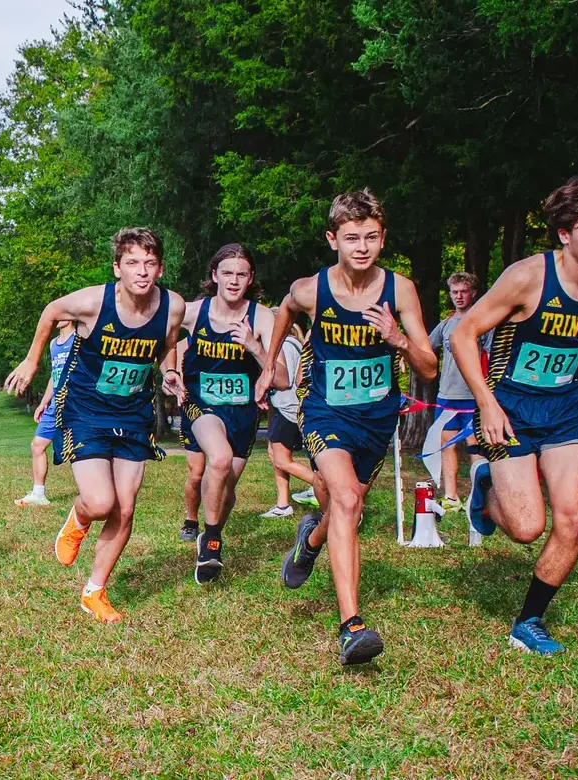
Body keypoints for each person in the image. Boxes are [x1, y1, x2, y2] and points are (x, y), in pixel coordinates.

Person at [453, 176, 578, 656]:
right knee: (527, 528)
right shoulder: (527, 277)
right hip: (508, 408)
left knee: (573, 519)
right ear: (564, 234)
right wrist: (486, 404)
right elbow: (464, 333)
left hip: (567, 409)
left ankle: (528, 621)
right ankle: (486, 485)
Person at [257, 189, 437, 665]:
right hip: (324, 410)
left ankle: (310, 540)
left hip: (376, 417)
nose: (362, 247)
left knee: (348, 509)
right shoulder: (312, 288)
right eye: (352, 237)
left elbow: (430, 366)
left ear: (383, 239)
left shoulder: (400, 290)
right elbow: (286, 308)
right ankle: (351, 626)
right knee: (348, 500)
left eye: (372, 238)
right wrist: (269, 362)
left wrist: (397, 339)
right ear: (332, 238)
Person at [5, 227, 185, 623]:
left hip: (133, 412)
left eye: (150, 264)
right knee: (102, 502)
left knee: (126, 506)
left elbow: (169, 343)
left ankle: (94, 591)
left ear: (160, 268)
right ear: (117, 267)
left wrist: (170, 371)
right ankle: (80, 517)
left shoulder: (172, 306)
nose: (142, 272)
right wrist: (33, 361)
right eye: (133, 263)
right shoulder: (92, 302)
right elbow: (52, 311)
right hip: (86, 408)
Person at [164, 243, 286, 583]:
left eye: (241, 274)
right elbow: (166, 342)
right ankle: (213, 542)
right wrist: (170, 372)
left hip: (242, 412)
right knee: (217, 460)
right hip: (199, 403)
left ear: (250, 280)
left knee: (227, 487)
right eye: (227, 273)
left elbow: (284, 378)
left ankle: (209, 533)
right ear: (214, 275)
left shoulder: (262, 317)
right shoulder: (192, 312)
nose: (234, 281)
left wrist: (255, 347)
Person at [428, 272, 491, 511]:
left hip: (473, 397)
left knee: (475, 447)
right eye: (455, 292)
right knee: (446, 445)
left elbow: (494, 355)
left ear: (473, 293)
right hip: (446, 396)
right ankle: (451, 497)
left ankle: (479, 496)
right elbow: (426, 346)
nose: (459, 296)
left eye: (464, 292)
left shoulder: (482, 322)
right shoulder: (445, 324)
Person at [14, 321, 75, 507]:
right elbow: (54, 374)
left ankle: (104, 491)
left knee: (83, 449)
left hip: (75, 402)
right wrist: (44, 402)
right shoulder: (53, 343)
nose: (58, 318)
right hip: (55, 403)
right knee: (37, 445)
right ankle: (39, 494)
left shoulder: (81, 338)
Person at [263, 320, 313, 518]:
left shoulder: (284, 346)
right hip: (286, 406)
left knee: (282, 460)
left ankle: (321, 486)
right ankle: (282, 504)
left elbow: (284, 381)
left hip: (287, 407)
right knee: (273, 454)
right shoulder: (296, 344)